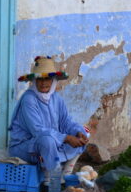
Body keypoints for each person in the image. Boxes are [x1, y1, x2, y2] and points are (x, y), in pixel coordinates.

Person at [8, 56, 89, 184]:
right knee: (47, 141)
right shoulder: (29, 99)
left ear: (54, 80)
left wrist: (77, 132)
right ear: (34, 80)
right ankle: (51, 180)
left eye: (47, 79)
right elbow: (38, 131)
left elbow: (65, 122)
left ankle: (65, 173)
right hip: (25, 146)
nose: (44, 83)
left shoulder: (56, 98)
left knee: (84, 132)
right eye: (40, 79)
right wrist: (67, 138)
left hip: (52, 140)